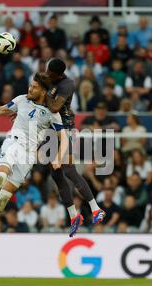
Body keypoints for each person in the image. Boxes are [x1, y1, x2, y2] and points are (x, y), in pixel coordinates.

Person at [0, 73, 68, 245]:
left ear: (43, 91)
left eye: (34, 87)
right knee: (0, 176)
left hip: (29, 156)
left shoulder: (52, 113)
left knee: (3, 200)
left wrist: (59, 158)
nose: (30, 89)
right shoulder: (21, 100)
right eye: (30, 85)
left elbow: (65, 137)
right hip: (13, 143)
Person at [43, 58, 107, 236]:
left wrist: (44, 93)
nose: (48, 74)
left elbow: (55, 107)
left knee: (70, 170)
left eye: (51, 73)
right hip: (50, 131)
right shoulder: (49, 81)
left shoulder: (67, 84)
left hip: (65, 130)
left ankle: (95, 209)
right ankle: (74, 216)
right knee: (56, 174)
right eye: (47, 71)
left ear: (58, 74)